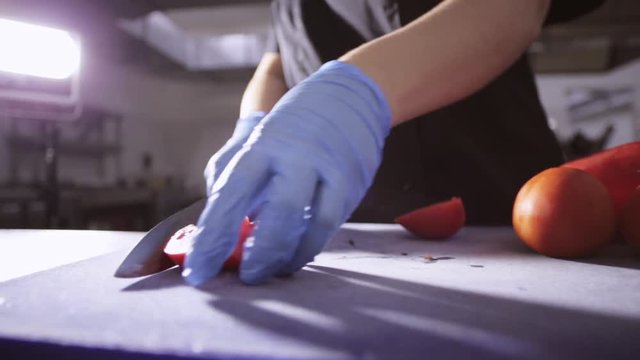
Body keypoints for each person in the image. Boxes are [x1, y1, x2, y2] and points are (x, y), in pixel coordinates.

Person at [183, 0, 606, 286]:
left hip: (514, 214)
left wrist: (358, 92)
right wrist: (254, 122)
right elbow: (275, 65)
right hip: (356, 233)